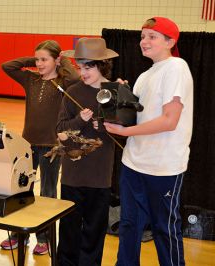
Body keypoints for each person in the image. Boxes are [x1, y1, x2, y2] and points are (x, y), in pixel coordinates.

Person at [104, 17, 193, 266]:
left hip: (163, 167)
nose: (144, 41)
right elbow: (137, 117)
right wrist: (123, 98)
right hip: (134, 163)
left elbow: (169, 121)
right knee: (129, 227)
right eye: (142, 36)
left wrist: (125, 133)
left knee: (164, 229)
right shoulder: (145, 75)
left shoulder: (176, 67)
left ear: (170, 41)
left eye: (152, 36)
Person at [0, 40, 80, 255]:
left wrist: (63, 62)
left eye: (44, 60)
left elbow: (75, 77)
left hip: (52, 146)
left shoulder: (63, 81)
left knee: (47, 192)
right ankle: (19, 234)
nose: (39, 64)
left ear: (56, 60)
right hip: (27, 144)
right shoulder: (31, 79)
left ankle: (44, 238)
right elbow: (7, 66)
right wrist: (34, 61)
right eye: (37, 59)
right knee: (21, 189)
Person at [56, 37, 118, 265]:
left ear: (101, 65)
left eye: (88, 66)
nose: (83, 72)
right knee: (69, 229)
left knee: (94, 231)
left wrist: (104, 126)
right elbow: (60, 130)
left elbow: (126, 131)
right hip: (73, 175)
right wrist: (78, 121)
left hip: (99, 176)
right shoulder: (72, 91)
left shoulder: (115, 91)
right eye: (80, 67)